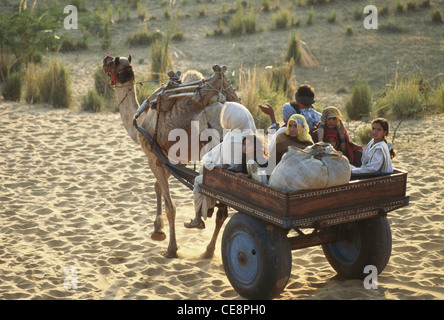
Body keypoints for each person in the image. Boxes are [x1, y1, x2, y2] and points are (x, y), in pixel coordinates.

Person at [185, 101, 256, 229]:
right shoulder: (252, 134)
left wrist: (215, 165)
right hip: (241, 173)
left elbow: (221, 160)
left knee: (198, 180)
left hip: (229, 179)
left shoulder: (232, 137)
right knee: (204, 168)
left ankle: (197, 218)